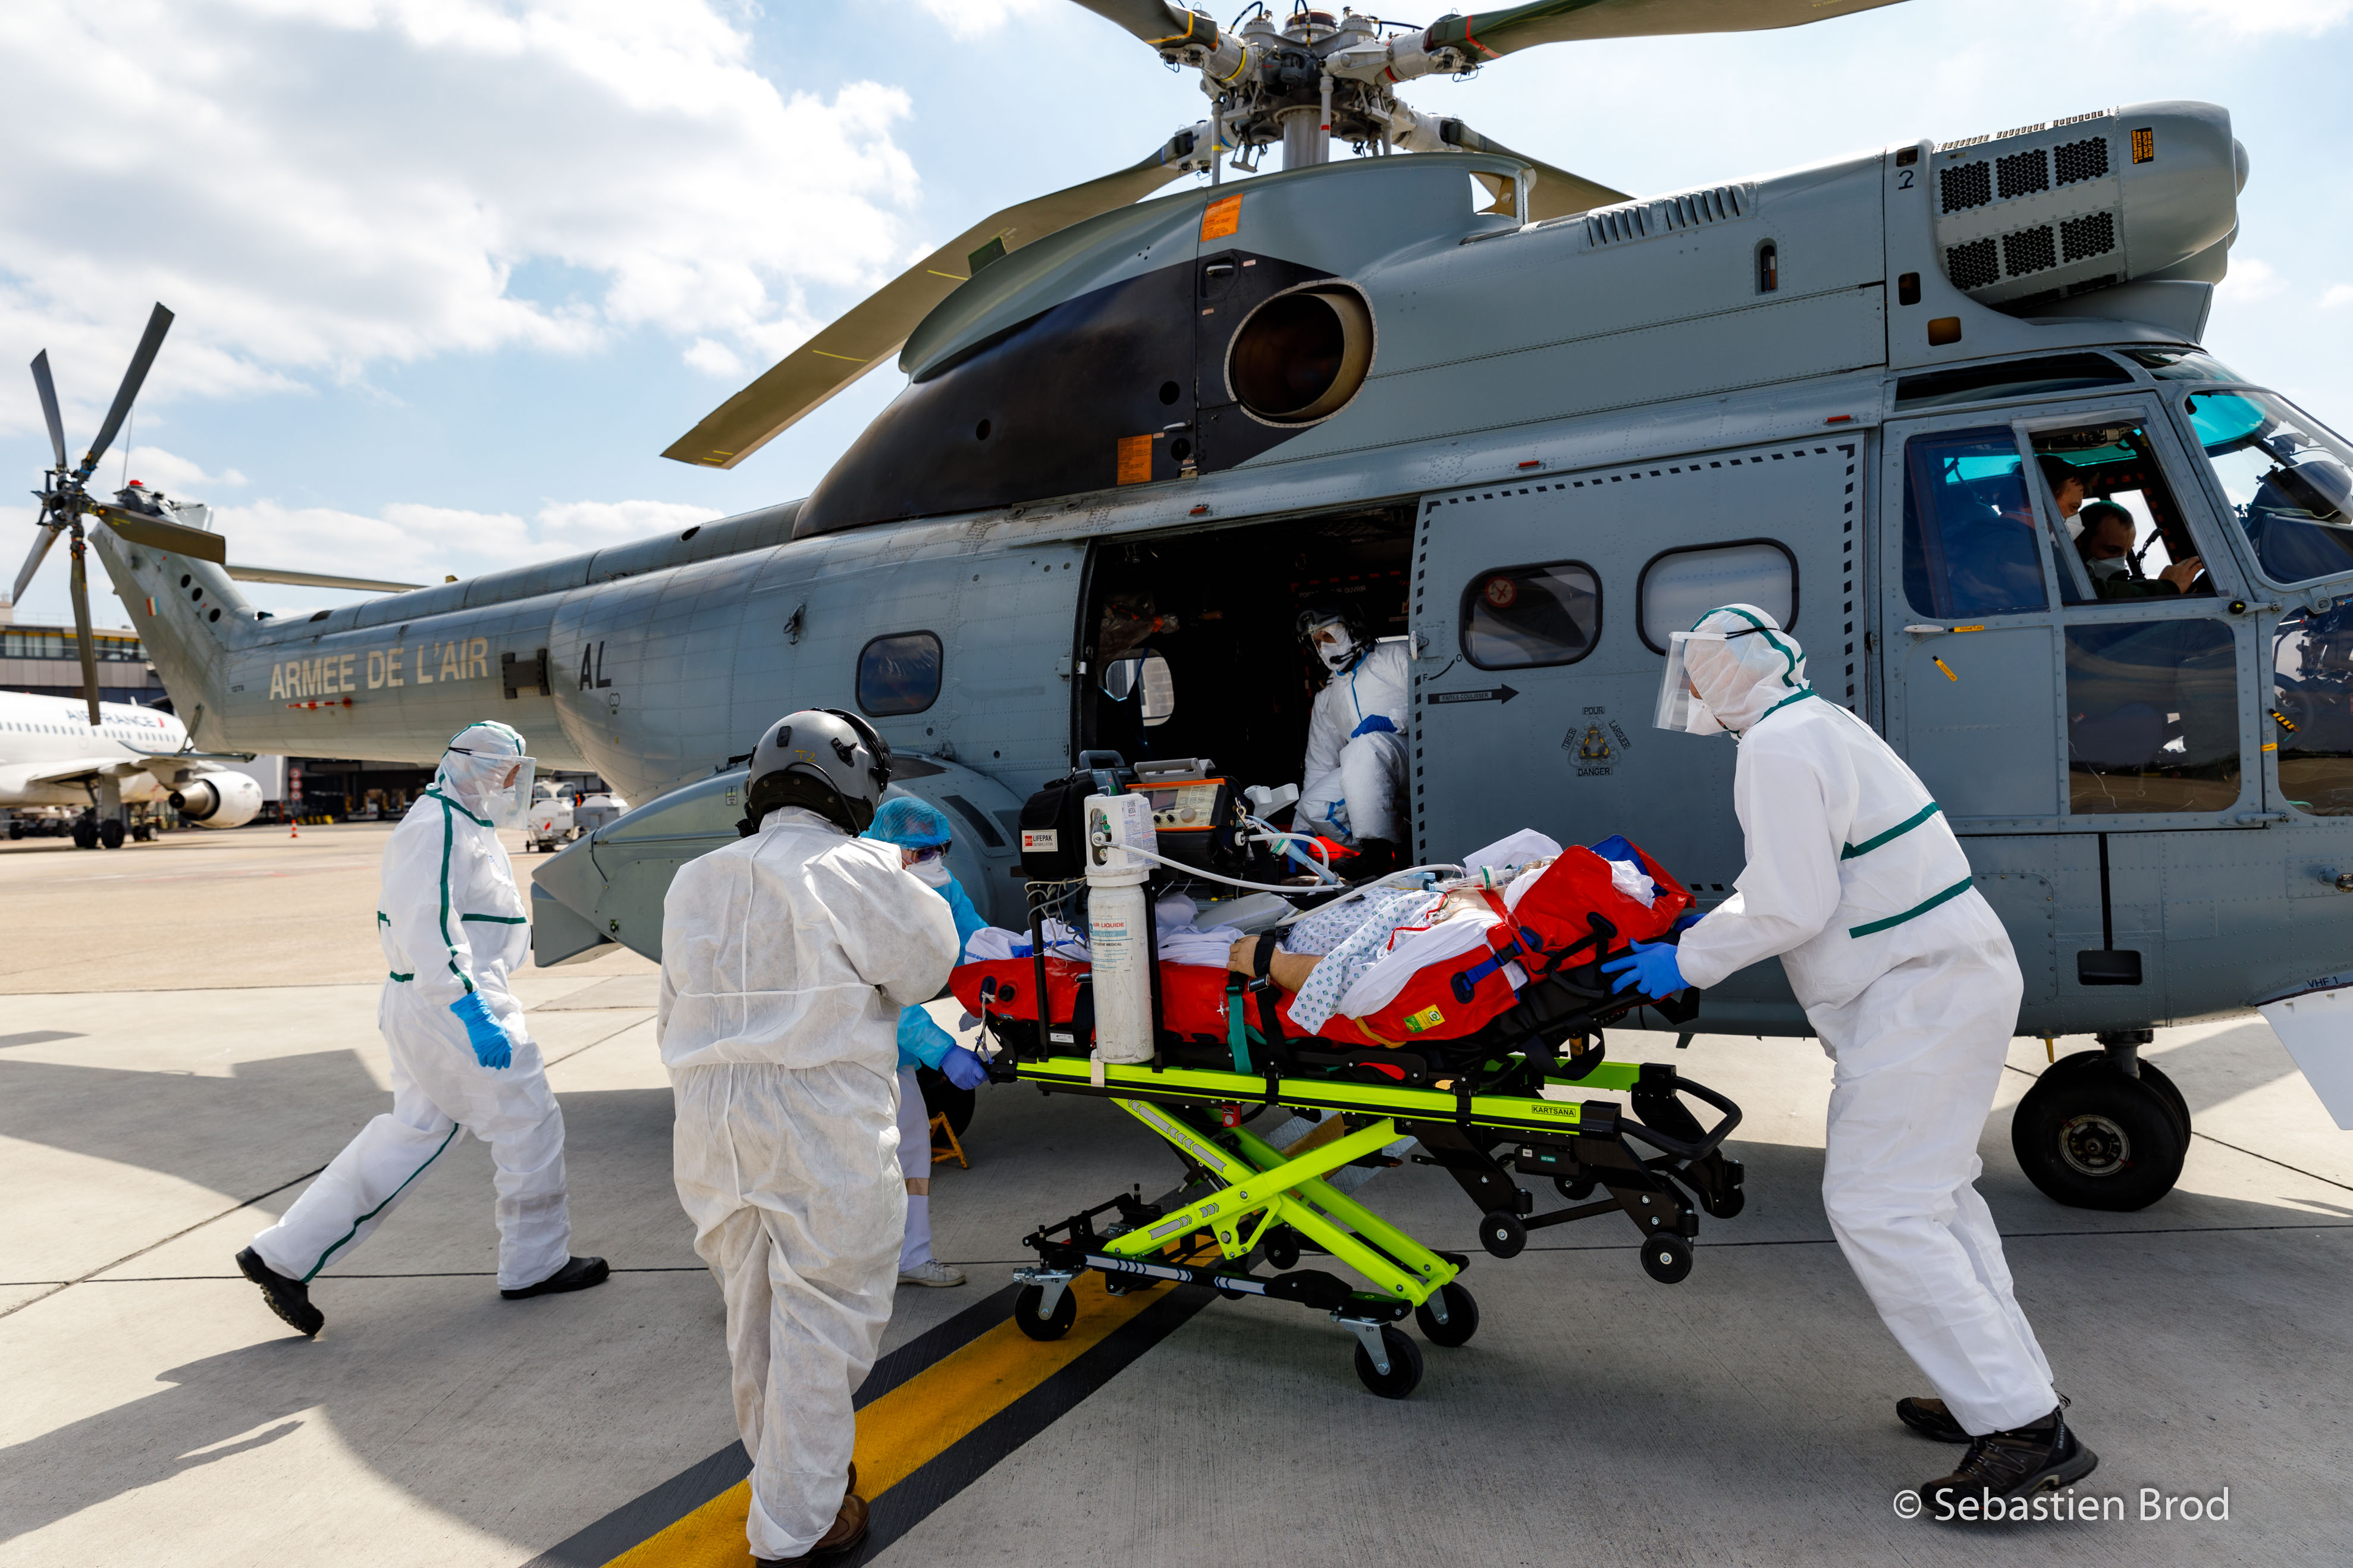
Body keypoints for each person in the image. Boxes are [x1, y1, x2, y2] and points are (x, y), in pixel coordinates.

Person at [1605, 607, 2094, 1514]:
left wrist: (1689, 959)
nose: (1693, 690)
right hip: (1945, 978)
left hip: (1920, 994)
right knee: (1934, 1198)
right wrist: (1702, 930)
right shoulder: (1817, 721)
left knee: (1880, 1204)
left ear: (1734, 677)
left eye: (1703, 673)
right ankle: (2000, 1389)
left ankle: (2024, 1429)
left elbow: (1793, 903)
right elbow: (1801, 879)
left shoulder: (1778, 749)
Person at [659, 710, 961, 1564]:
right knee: (825, 1317)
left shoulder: (695, 877)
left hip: (710, 1121)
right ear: (858, 783)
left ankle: (792, 1475)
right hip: (816, 1116)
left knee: (752, 1315)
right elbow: (926, 966)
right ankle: (800, 1525)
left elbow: (674, 1003)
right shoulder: (857, 866)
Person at [236, 721, 605, 1338]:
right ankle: (534, 1264)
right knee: (528, 1124)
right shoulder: (436, 826)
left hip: (434, 1000)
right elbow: (427, 927)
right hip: (454, 1003)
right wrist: (471, 1012)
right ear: (469, 766)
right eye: (501, 771)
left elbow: (472, 919)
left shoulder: (461, 824)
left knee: (413, 1135)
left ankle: (282, 1255)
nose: (510, 783)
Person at [859, 797, 994, 1289]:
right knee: (849, 1168)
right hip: (846, 1057)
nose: (934, 861)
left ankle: (912, 1256)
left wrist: (1005, 971)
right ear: (886, 849)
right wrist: (944, 1051)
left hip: (896, 1060)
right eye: (920, 852)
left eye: (940, 850)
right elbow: (887, 995)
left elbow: (975, 937)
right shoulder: (866, 896)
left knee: (914, 1150)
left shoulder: (937, 884)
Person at [1294, 604, 1408, 874]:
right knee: (1315, 804)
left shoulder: (1398, 656)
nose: (1324, 648)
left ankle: (1376, 856)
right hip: (1369, 774)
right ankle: (1390, 846)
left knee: (1365, 745)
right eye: (1317, 641)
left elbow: (1436, 702)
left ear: (1353, 631)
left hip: (1417, 762)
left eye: (1329, 636)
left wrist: (1393, 721)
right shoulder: (1327, 699)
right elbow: (1320, 764)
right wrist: (1301, 832)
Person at [2075, 500, 2204, 597]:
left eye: (2127, 552)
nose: (2120, 561)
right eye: (2112, 551)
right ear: (2079, 544)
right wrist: (2167, 587)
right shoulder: (2066, 582)